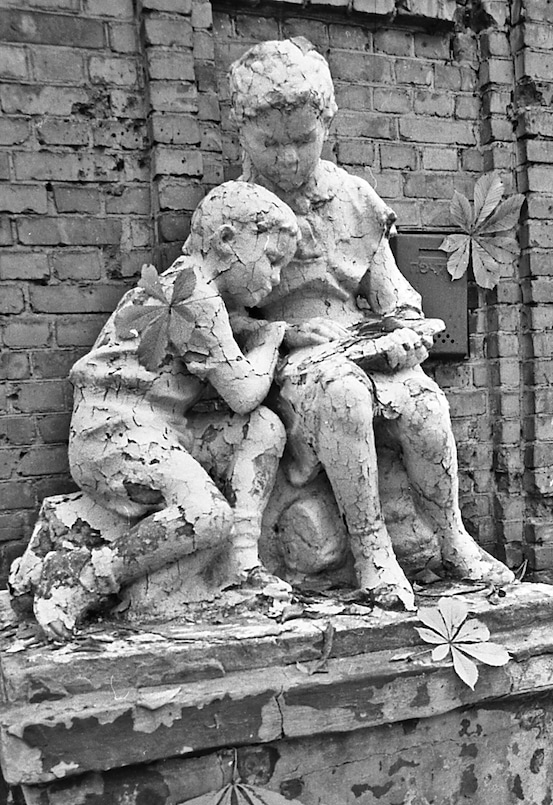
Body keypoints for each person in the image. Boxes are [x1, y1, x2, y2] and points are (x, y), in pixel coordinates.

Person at [229, 38, 514, 609]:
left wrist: (404, 331)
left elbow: (394, 295)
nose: (288, 158)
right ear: (242, 134)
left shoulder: (353, 199)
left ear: (326, 126)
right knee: (342, 394)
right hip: (290, 363)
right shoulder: (235, 210)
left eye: (302, 140)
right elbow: (210, 315)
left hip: (361, 345)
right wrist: (282, 334)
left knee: (425, 403)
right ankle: (371, 550)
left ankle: (452, 537)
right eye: (270, 144)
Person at [25, 181, 299, 640]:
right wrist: (271, 342)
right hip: (112, 436)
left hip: (162, 432)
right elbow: (243, 392)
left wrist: (274, 332)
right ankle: (82, 578)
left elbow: (232, 341)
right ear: (227, 240)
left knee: (263, 428)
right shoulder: (195, 296)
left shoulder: (187, 286)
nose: (275, 279)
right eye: (271, 260)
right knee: (206, 515)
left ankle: (241, 562)